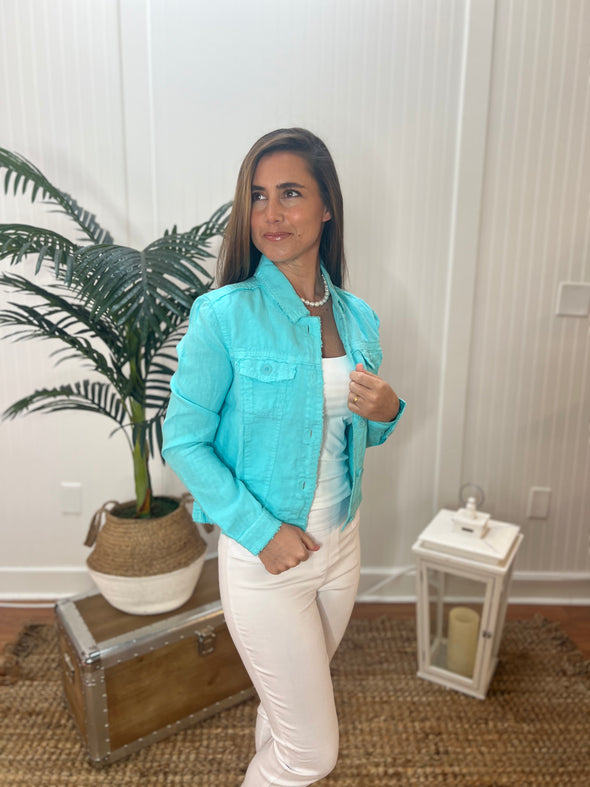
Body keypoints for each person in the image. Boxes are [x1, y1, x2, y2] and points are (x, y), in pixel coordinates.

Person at [162, 128, 405, 786]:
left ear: (327, 206)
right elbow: (182, 439)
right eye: (259, 196)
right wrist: (262, 531)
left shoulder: (359, 319)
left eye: (290, 193)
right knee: (311, 752)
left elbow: (357, 434)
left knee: (288, 706)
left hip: (342, 544)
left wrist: (386, 414)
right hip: (267, 557)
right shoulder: (223, 315)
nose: (270, 212)